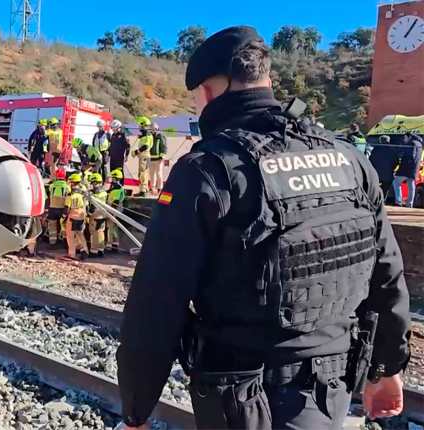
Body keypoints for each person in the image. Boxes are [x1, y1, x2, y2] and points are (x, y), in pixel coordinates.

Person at [117, 26, 410, 430]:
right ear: (265, 79)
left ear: (209, 91)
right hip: (333, 389)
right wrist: (386, 368)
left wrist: (136, 408)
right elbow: (387, 274)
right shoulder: (348, 160)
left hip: (243, 398)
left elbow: (155, 304)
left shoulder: (208, 170)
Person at [394, 134, 423, 207]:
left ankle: (398, 201)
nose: (403, 139)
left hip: (406, 168)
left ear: (408, 136)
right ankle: (409, 204)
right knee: (411, 186)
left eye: (404, 137)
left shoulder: (412, 143)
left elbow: (411, 156)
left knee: (396, 182)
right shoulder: (420, 144)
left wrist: (403, 162)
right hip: (414, 169)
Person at [65, 172, 88, 260]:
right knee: (80, 234)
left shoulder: (70, 195)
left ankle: (71, 254)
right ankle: (85, 251)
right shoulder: (83, 194)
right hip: (82, 215)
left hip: (72, 217)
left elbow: (66, 208)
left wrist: (63, 217)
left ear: (73, 183)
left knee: (70, 235)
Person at [369, 135, 398, 203]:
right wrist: (391, 168)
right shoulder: (392, 150)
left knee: (375, 188)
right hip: (388, 175)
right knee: (385, 188)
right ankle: (382, 201)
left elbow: (370, 161)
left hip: (376, 174)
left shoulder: (376, 149)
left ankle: (374, 200)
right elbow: (396, 162)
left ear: (380, 141)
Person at [46, 168, 70, 246]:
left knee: (52, 226)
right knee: (64, 226)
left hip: (52, 208)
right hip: (62, 209)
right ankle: (65, 243)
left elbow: (49, 196)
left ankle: (52, 242)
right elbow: (68, 198)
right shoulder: (67, 187)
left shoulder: (52, 186)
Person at [131, 116, 154, 197]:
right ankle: (145, 189)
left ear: (143, 125)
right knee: (143, 173)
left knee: (142, 173)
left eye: (140, 126)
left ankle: (143, 191)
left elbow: (146, 146)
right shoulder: (145, 135)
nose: (139, 127)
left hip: (144, 156)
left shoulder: (148, 135)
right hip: (143, 156)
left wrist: (136, 152)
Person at [87, 173, 108, 257]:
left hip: (94, 216)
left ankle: (93, 252)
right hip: (102, 215)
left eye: (93, 183)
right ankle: (101, 250)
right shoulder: (105, 193)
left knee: (94, 234)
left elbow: (91, 205)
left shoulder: (93, 194)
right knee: (100, 233)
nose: (93, 185)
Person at [106, 168, 126, 252]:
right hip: (117, 209)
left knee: (111, 227)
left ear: (116, 178)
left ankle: (110, 245)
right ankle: (115, 244)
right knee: (114, 228)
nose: (111, 180)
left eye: (112, 178)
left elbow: (116, 202)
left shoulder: (117, 189)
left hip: (114, 210)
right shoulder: (118, 188)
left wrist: (111, 212)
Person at [148, 122, 167, 195]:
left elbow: (164, 147)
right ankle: (152, 188)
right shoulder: (150, 136)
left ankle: (160, 188)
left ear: (157, 129)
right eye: (152, 129)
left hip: (159, 159)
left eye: (154, 129)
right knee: (152, 174)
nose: (153, 130)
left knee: (159, 174)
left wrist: (162, 156)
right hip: (151, 158)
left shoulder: (161, 136)